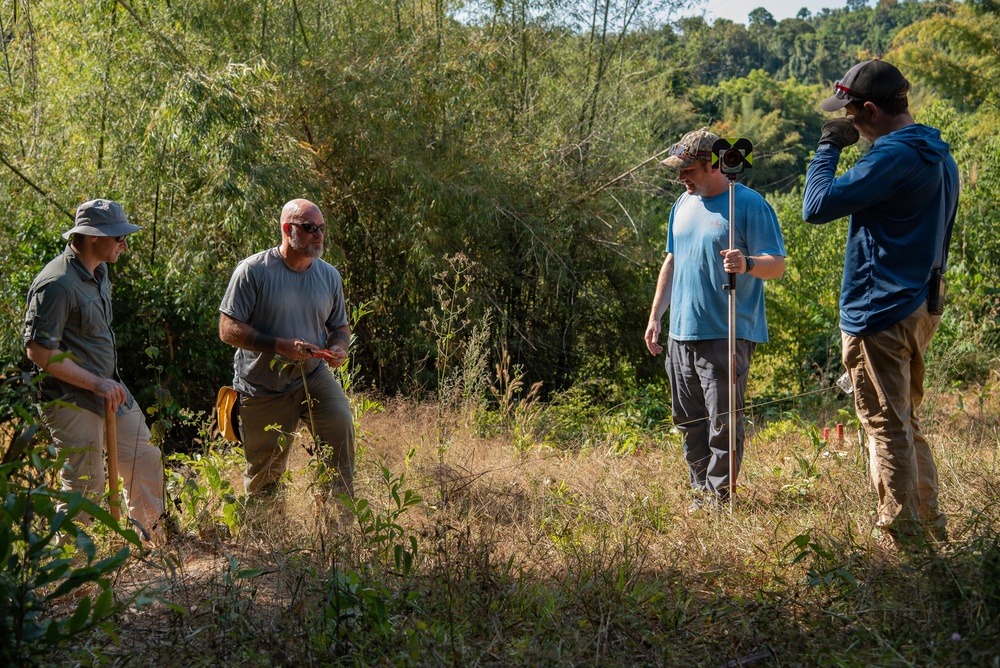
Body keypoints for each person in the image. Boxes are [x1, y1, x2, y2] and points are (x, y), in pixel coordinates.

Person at [803, 59, 959, 545]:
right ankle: (929, 525)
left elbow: (815, 206)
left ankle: (903, 537)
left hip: (881, 311)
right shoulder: (938, 153)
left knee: (885, 427)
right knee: (904, 421)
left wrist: (828, 147)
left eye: (849, 113)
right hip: (919, 304)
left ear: (870, 110)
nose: (847, 120)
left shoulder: (891, 156)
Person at [645, 128, 786, 511]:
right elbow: (672, 260)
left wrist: (748, 263)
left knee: (722, 422)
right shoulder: (682, 204)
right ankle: (700, 494)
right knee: (688, 420)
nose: (681, 178)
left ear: (713, 164)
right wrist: (656, 315)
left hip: (726, 333)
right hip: (681, 334)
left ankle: (720, 500)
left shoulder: (749, 204)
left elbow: (777, 265)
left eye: (687, 169)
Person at [24, 198, 165, 540]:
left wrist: (104, 384)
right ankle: (72, 567)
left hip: (109, 389)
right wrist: (95, 383)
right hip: (70, 398)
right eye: (119, 237)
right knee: (86, 485)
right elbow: (38, 350)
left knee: (144, 458)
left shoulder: (100, 272)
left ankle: (153, 544)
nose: (124, 244)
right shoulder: (56, 283)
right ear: (92, 237)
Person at [219, 198, 355, 499]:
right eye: (309, 227)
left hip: (312, 375)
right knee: (265, 477)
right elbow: (227, 329)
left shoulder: (329, 275)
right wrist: (279, 346)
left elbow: (339, 327)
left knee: (340, 425)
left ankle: (338, 519)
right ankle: (267, 527)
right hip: (263, 385)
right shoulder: (253, 270)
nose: (318, 234)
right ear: (287, 229)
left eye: (321, 228)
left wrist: (338, 347)